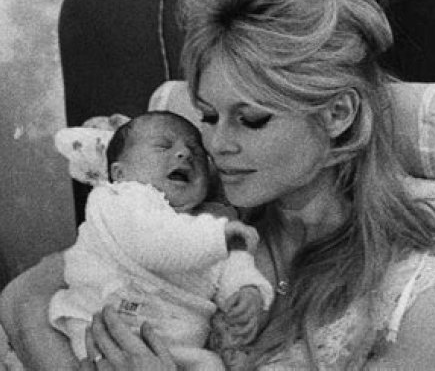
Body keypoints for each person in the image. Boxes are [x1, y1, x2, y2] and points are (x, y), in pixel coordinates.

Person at [0, 0, 435, 370]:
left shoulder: (418, 301)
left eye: (252, 119)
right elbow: (21, 298)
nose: (217, 146)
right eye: (208, 115)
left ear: (337, 113)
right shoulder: (188, 216)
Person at [50, 110, 273, 370]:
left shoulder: (209, 224)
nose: (184, 154)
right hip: (100, 322)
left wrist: (247, 291)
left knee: (211, 363)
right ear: (120, 172)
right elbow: (153, 244)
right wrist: (218, 237)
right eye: (163, 146)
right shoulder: (119, 198)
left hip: (172, 341)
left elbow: (232, 265)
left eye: (197, 152)